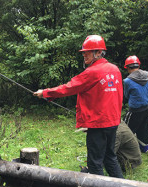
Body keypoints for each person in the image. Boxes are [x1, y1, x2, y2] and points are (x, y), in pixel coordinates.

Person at [34, 35, 124, 178]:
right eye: (83, 52)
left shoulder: (92, 72)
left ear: (99, 52)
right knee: (110, 158)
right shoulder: (115, 70)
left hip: (98, 124)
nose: (84, 55)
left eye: (88, 52)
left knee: (95, 163)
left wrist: (45, 92)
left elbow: (69, 88)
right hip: (113, 122)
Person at [123, 55, 148, 153]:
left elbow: (126, 95)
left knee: (125, 129)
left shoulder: (127, 81)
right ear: (138, 65)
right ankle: (144, 148)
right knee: (143, 129)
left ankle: (123, 149)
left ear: (127, 67)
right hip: (145, 108)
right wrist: (146, 95)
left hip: (134, 110)